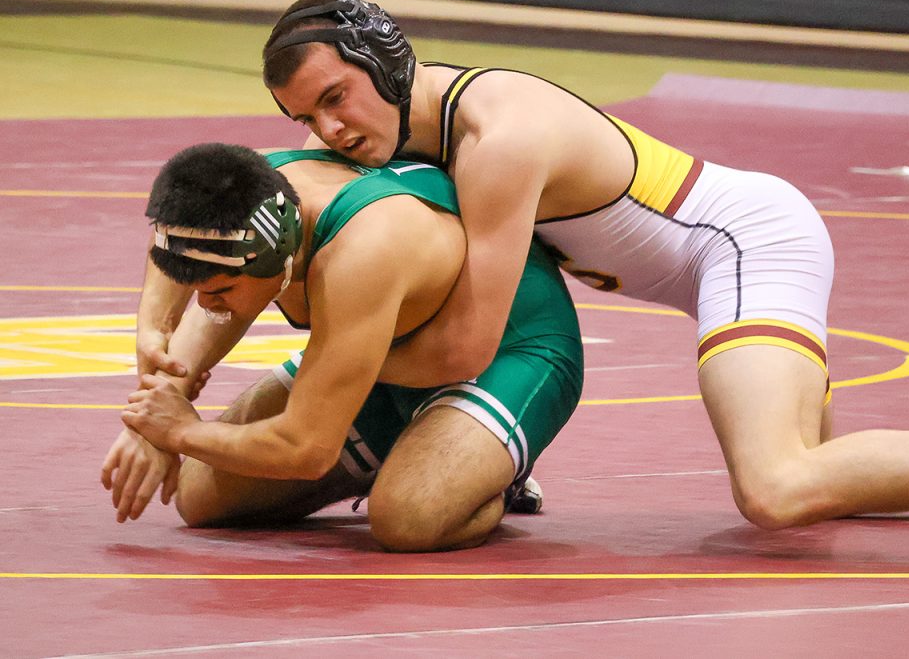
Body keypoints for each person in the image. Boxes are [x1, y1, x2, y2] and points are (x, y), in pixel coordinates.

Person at [248, 0, 909, 540]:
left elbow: (469, 342)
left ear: (383, 63)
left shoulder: (494, 139)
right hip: (710, 254)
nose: (328, 130)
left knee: (777, 486)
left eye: (335, 97)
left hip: (745, 245)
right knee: (824, 474)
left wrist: (335, 366)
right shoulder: (414, 120)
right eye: (305, 117)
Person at [111, 142, 583, 551]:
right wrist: (155, 383)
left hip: (510, 352)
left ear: (276, 261)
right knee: (200, 497)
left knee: (409, 519)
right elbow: (176, 264)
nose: (207, 305)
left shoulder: (363, 253)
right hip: (386, 353)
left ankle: (496, 476)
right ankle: (403, 450)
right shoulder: (242, 197)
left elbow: (306, 448)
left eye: (220, 292)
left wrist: (176, 432)